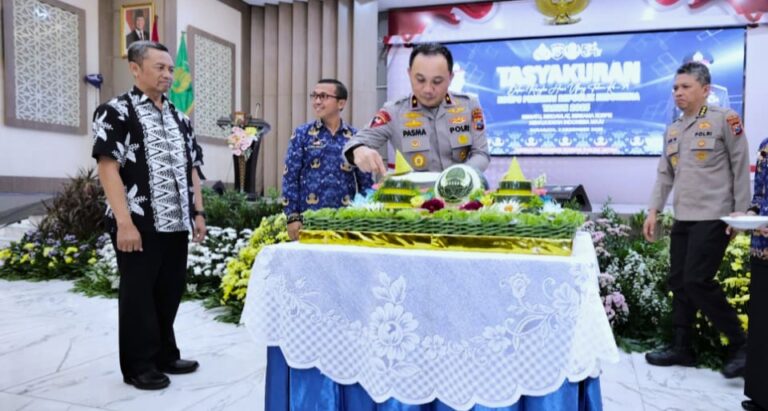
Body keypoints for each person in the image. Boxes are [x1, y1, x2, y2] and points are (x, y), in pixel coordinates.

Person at [92, 41, 205, 390]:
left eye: (170, 69)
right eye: (160, 67)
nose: (168, 74)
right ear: (135, 68)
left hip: (176, 220)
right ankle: (139, 365)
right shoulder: (116, 111)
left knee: (169, 290)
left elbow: (192, 169)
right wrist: (124, 223)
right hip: (138, 220)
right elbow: (107, 168)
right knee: (139, 295)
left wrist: (199, 212)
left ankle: (165, 354)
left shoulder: (179, 118)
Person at [642, 61, 750, 377]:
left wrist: (741, 211)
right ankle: (682, 347)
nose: (678, 92)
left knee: (697, 280)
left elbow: (740, 163)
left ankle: (742, 344)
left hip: (715, 215)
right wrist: (653, 210)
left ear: (705, 89)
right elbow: (665, 174)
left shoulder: (724, 120)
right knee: (679, 281)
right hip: (684, 216)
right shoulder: (673, 129)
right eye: (675, 87)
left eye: (685, 87)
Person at [343, 42, 490, 176]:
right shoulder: (394, 111)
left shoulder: (469, 105)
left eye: (437, 81)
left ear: (450, 78)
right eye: (420, 80)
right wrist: (358, 150)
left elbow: (481, 154)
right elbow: (353, 144)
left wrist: (459, 175)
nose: (428, 89)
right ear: (409, 74)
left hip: (460, 191)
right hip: (415, 196)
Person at [282, 79, 374, 241]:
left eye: (323, 96)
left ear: (341, 103)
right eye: (314, 96)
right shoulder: (302, 134)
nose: (317, 101)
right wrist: (292, 216)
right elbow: (290, 178)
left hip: (346, 222)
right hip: (308, 222)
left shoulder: (355, 138)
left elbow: (366, 184)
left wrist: (367, 217)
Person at [739, 142, 768, 411]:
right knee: (761, 322)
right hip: (762, 247)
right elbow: (759, 196)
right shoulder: (766, 148)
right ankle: (761, 396)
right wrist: (750, 214)